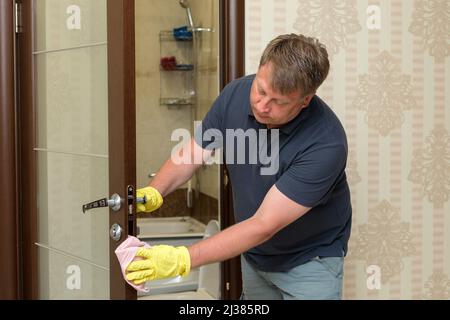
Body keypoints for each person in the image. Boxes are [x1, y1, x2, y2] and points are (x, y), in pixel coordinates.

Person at [125, 34, 352, 300]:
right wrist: (155, 192)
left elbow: (263, 224)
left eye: (278, 101)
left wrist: (182, 258)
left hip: (309, 262)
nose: (262, 106)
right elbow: (192, 153)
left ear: (305, 100)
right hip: (256, 257)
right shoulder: (235, 95)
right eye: (261, 89)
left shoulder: (326, 143)